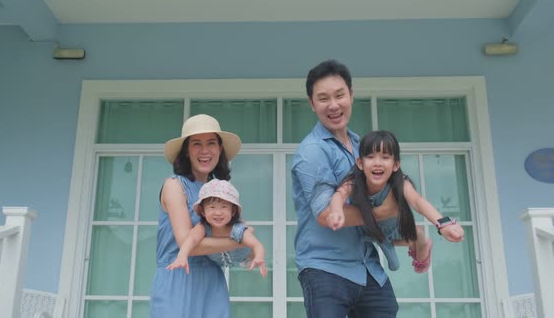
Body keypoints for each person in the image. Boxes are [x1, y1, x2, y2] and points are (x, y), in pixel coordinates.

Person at [291, 59, 400, 317]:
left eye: (340, 95)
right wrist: (384, 212)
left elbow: (387, 199)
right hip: (325, 269)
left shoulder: (363, 147)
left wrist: (414, 235)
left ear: (351, 94)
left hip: (368, 267)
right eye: (323, 98)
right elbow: (327, 214)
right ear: (311, 103)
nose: (333, 105)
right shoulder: (311, 152)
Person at [326, 130, 465, 273]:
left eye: (385, 157)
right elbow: (339, 195)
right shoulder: (354, 181)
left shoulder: (400, 183)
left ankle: (421, 240)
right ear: (360, 163)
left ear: (395, 165)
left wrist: (444, 224)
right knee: (392, 262)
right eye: (371, 157)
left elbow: (417, 201)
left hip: (395, 228)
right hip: (369, 228)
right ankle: (411, 238)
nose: (377, 163)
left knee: (406, 245)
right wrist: (336, 211)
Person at [150, 114, 245, 318]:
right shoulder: (174, 186)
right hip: (178, 280)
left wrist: (248, 245)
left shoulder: (218, 193)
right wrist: (238, 241)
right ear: (186, 151)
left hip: (212, 283)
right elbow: (187, 243)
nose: (204, 151)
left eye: (211, 143)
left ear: (220, 149)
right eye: (196, 144)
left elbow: (236, 229)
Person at [166, 179, 268, 277]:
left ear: (232, 211)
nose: (218, 213)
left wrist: (259, 257)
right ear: (202, 211)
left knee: (249, 246)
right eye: (212, 207)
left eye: (224, 207)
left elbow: (257, 245)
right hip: (217, 260)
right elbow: (191, 240)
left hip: (242, 256)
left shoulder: (237, 229)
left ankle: (249, 259)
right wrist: (182, 256)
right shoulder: (203, 227)